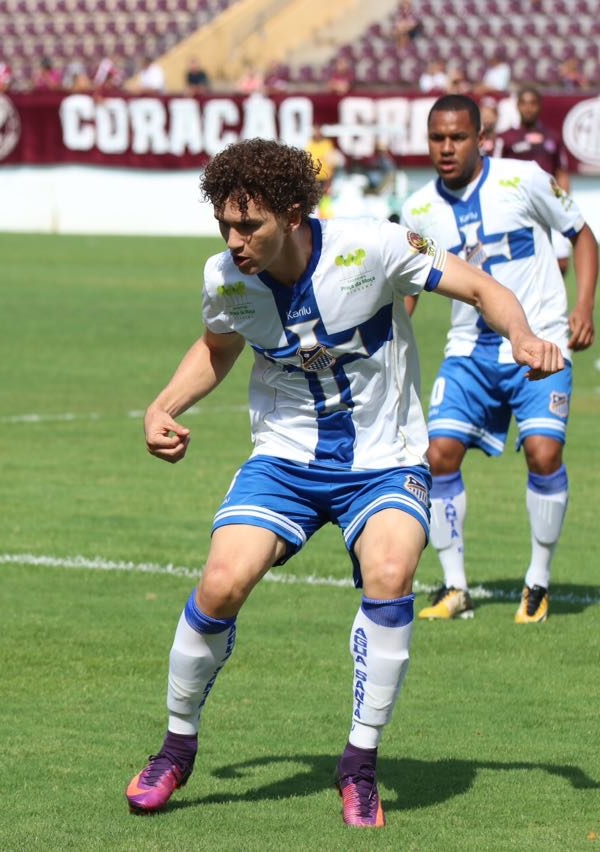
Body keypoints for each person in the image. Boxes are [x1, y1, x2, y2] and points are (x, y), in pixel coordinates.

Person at [124, 138, 562, 827]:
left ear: (293, 212)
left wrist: (521, 334)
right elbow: (217, 346)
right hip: (286, 461)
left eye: (249, 226)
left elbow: (480, 287)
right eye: (224, 227)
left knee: (390, 572)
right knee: (220, 583)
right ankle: (176, 747)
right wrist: (163, 406)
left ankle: (359, 764)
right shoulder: (226, 278)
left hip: (384, 461)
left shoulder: (377, 246)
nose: (234, 242)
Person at [403, 95, 596, 623]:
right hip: (468, 350)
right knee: (437, 455)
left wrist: (583, 305)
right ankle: (456, 587)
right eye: (437, 138)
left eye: (457, 137)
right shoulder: (419, 209)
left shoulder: (525, 179)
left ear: (480, 138)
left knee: (542, 454)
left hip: (540, 340)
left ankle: (537, 580)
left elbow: (581, 234)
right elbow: (406, 285)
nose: (446, 148)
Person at [495, 87, 574, 274]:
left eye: (533, 103)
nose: (528, 108)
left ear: (539, 106)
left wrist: (564, 202)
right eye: (524, 103)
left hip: (549, 206)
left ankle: (554, 301)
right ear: (518, 106)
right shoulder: (505, 138)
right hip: (516, 207)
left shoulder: (552, 138)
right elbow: (494, 173)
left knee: (560, 263)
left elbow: (561, 172)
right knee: (518, 265)